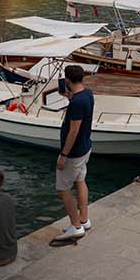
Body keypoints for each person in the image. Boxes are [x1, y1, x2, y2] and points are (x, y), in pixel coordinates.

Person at [55, 65, 95, 239]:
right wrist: (70, 97)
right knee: (80, 180)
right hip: (85, 147)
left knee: (63, 189)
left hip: (74, 153)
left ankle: (75, 225)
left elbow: (73, 131)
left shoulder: (77, 102)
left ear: (68, 81)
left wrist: (63, 155)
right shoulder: (87, 94)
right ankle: (84, 219)